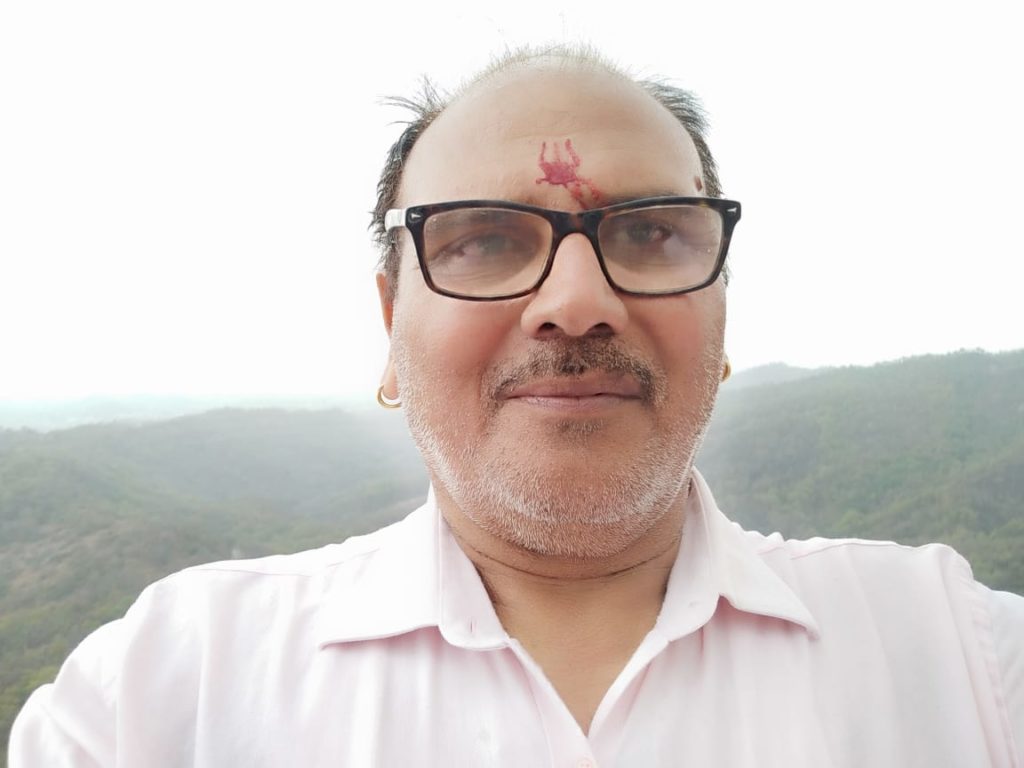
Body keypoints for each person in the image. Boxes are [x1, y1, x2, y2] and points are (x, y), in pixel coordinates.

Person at [10, 45, 1023, 767]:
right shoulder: (163, 693)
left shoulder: (962, 659)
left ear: (720, 318)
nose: (575, 303)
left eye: (650, 233)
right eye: (484, 240)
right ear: (391, 322)